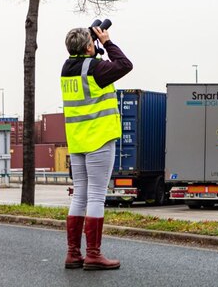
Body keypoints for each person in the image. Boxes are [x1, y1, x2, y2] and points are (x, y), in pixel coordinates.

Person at [61, 24, 133, 270]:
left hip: (77, 140)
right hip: (99, 139)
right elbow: (125, 65)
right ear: (89, 46)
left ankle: (73, 253)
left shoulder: (67, 68)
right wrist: (108, 42)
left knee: (80, 194)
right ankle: (93, 254)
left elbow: (87, 63)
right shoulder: (95, 69)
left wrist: (94, 47)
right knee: (96, 196)